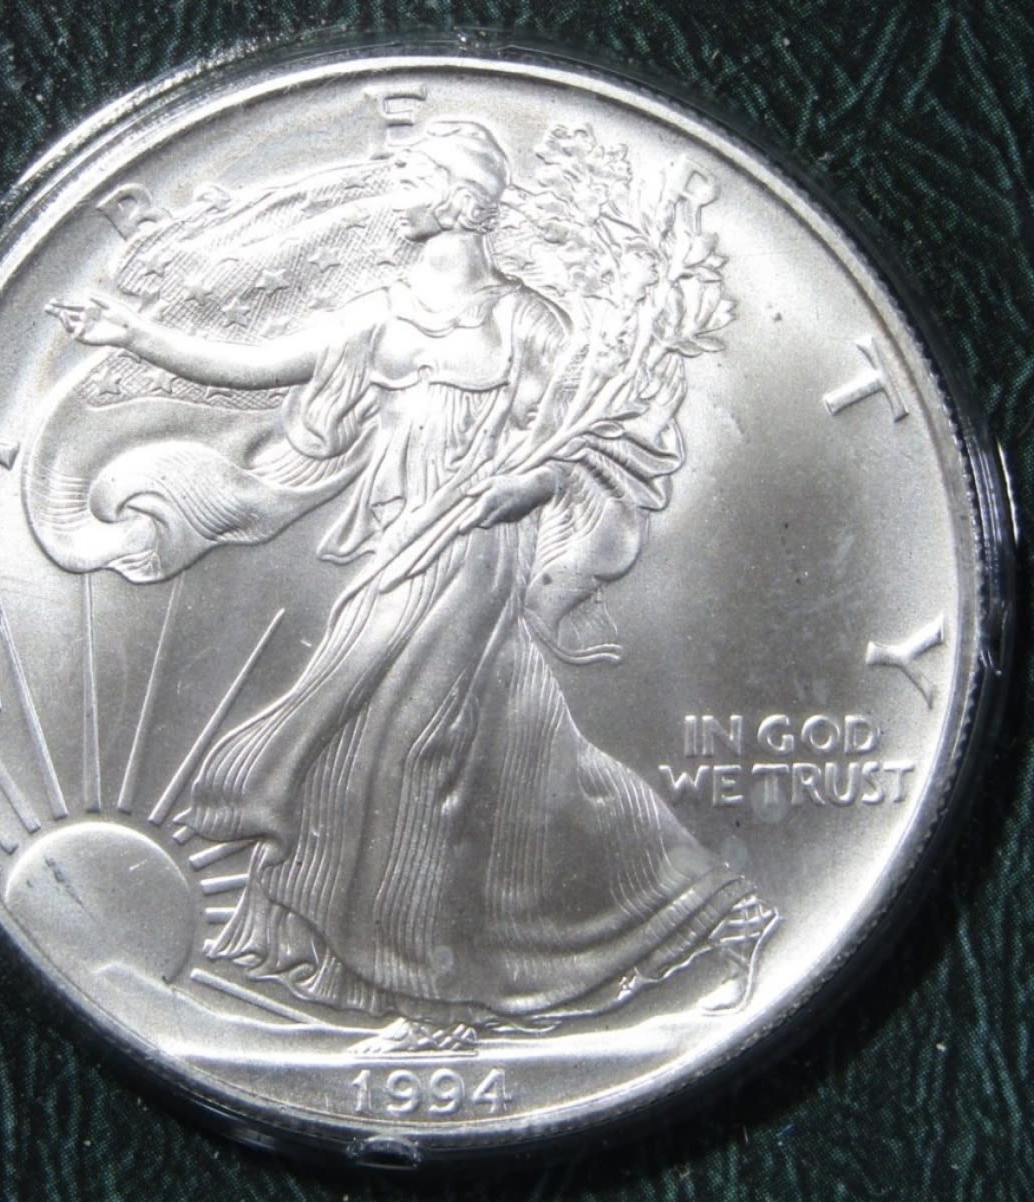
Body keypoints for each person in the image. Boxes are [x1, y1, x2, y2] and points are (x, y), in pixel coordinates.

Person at [50, 120, 775, 1049]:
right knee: (494, 743)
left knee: (412, 741)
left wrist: (527, 485)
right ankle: (679, 908)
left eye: (414, 176)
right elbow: (260, 366)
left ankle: (431, 995)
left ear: (462, 200)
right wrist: (137, 334)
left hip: (478, 549)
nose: (398, 191)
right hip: (399, 544)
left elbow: (581, 446)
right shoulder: (379, 313)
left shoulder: (526, 322)